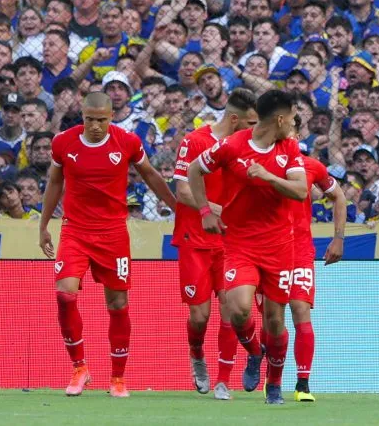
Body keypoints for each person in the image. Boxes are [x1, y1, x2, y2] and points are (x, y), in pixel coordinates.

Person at [38, 91, 177, 398]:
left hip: (113, 234)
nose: (96, 126)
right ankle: (79, 368)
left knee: (117, 305)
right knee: (64, 295)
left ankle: (117, 377)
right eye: (90, 120)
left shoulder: (126, 142)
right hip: (75, 230)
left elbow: (151, 175)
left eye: (102, 120)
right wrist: (44, 225)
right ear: (82, 115)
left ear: (111, 116)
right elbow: (55, 182)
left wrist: (177, 207)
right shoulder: (64, 142)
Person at [185, 90, 308, 406]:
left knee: (276, 321)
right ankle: (255, 351)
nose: (294, 124)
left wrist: (267, 176)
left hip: (280, 247)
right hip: (240, 244)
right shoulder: (231, 146)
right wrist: (203, 211)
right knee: (239, 309)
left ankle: (275, 385)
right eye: (292, 118)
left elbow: (299, 190)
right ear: (280, 119)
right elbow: (194, 170)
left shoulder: (289, 148)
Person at [171, 87, 258, 399]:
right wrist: (215, 209)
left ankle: (223, 380)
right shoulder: (195, 140)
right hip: (195, 238)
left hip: (233, 242)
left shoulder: (249, 147)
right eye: (250, 124)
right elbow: (182, 191)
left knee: (231, 310)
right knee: (199, 316)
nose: (254, 130)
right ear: (234, 120)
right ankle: (197, 357)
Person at [288, 125, 347, 403]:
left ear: (298, 134)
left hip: (299, 250)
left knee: (301, 310)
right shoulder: (258, 163)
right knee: (270, 320)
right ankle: (267, 372)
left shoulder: (312, 166)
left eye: (290, 128)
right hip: (266, 250)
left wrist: (338, 239)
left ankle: (303, 383)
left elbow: (340, 197)